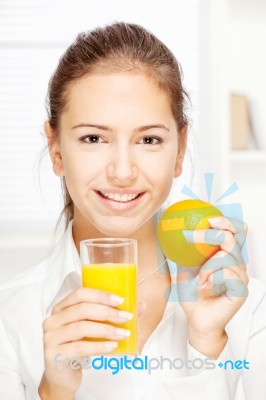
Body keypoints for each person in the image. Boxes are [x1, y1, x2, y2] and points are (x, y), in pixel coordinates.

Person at [0, 22, 266, 400]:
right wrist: (53, 392)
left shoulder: (249, 308)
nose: (122, 171)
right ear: (57, 150)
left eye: (149, 139)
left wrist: (207, 345)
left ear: (179, 148)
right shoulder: (9, 319)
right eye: (93, 138)